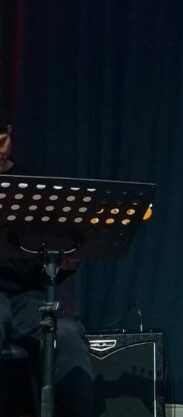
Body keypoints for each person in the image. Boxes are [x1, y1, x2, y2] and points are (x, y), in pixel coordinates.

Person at [0, 104, 94, 417]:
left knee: (67, 335)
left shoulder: (32, 187)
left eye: (2, 142)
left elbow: (43, 260)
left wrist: (62, 265)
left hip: (26, 298)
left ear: (10, 134)